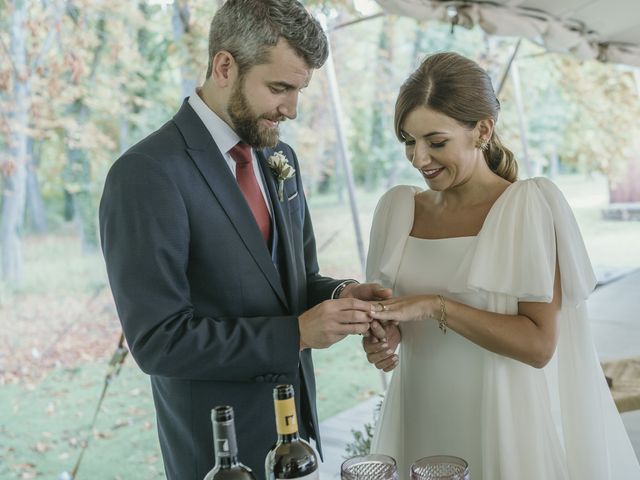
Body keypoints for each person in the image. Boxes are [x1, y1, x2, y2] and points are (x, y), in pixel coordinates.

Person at [99, 1, 390, 478]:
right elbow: (158, 341)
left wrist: (341, 297)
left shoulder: (281, 157)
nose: (291, 110)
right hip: (219, 452)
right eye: (279, 88)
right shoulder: (146, 174)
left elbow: (295, 281)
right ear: (224, 66)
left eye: (299, 91)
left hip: (297, 441)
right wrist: (295, 333)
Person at [362, 52, 640, 479]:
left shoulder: (526, 208)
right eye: (408, 141)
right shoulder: (397, 209)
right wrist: (385, 336)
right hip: (421, 407)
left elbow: (539, 346)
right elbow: (398, 312)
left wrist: (436, 306)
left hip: (502, 418)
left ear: (483, 131)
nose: (419, 159)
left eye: (436, 142)